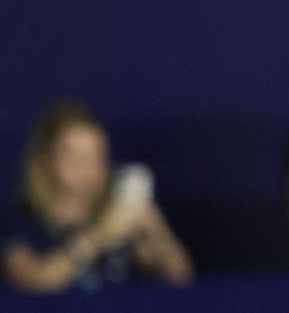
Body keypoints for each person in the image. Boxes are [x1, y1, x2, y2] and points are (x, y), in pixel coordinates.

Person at [1, 100, 194, 293]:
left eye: (96, 156)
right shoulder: (21, 224)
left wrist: (156, 229)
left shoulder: (119, 220)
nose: (86, 167)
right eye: (74, 156)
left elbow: (181, 278)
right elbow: (35, 282)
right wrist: (99, 236)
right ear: (46, 159)